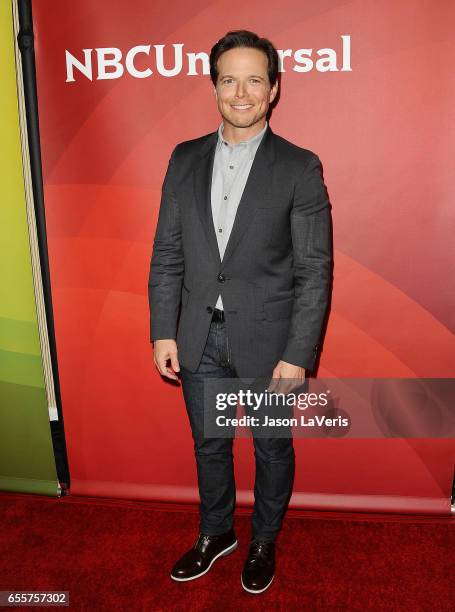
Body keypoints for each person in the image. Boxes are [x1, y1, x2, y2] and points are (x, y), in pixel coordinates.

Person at [148, 29, 333, 594]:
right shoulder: (183, 158)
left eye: (255, 79)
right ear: (214, 89)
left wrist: (297, 355)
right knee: (209, 444)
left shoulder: (300, 167)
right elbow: (168, 252)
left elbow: (314, 271)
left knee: (272, 446)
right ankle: (218, 531)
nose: (242, 91)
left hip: (271, 343)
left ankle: (263, 539)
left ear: (274, 89)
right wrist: (163, 330)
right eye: (229, 79)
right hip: (198, 335)